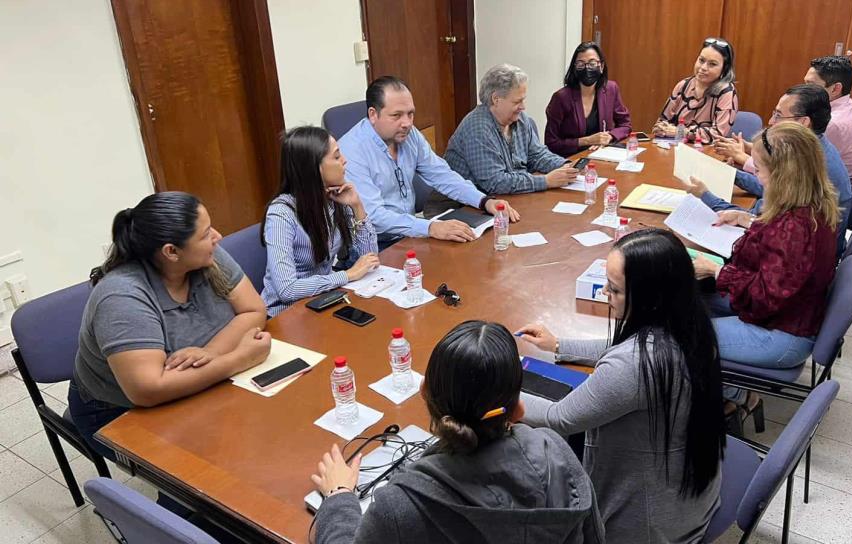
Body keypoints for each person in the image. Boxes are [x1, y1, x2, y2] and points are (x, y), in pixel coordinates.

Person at [309, 320, 605, 544]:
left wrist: (338, 497)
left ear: (423, 391)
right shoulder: (558, 454)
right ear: (518, 410)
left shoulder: (398, 507)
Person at [515, 229, 725, 543]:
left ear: (651, 298)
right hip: (691, 491)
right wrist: (559, 344)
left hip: (648, 525)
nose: (605, 295)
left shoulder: (635, 364)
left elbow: (558, 418)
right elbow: (628, 348)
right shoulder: (690, 325)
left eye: (614, 290)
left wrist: (494, 391)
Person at [70, 192, 271, 461]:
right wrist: (237, 359)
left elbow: (253, 309)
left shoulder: (206, 255)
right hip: (117, 412)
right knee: (202, 474)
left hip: (199, 381)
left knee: (257, 437)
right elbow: (149, 389)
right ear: (171, 252)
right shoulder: (121, 297)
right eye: (205, 234)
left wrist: (211, 352)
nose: (217, 236)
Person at [692, 123, 840, 408]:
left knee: (675, 334)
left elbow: (766, 298)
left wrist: (716, 271)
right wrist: (747, 219)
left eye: (759, 170)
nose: (756, 177)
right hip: (786, 317)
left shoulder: (796, 227)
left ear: (784, 175)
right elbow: (781, 260)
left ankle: (737, 396)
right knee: (684, 302)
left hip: (781, 335)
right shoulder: (809, 203)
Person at [338, 76, 519, 249]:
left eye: (411, 114)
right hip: (373, 246)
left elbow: (442, 175)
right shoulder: (352, 152)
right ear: (373, 114)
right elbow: (374, 217)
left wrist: (484, 201)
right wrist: (430, 228)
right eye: (397, 115)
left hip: (409, 235)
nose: (407, 123)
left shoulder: (409, 135)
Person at [698, 84, 852, 256]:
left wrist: (706, 196)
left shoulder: (807, 166)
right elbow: (765, 191)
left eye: (778, 116)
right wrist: (732, 174)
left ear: (803, 122)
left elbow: (764, 220)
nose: (771, 122)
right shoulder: (811, 150)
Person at [261, 126, 379, 317]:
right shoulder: (281, 214)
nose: (344, 160)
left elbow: (370, 259)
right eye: (336, 156)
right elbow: (287, 289)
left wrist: (357, 207)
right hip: (285, 315)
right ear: (315, 168)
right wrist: (347, 275)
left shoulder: (334, 198)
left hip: (322, 302)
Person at [444, 64, 579, 195]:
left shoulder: (520, 119)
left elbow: (537, 155)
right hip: (462, 206)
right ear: (496, 99)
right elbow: (496, 182)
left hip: (505, 198)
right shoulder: (478, 129)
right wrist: (546, 181)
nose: (523, 107)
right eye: (517, 102)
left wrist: (566, 166)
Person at [544, 41, 632, 156]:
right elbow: (551, 143)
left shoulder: (611, 89)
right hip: (571, 159)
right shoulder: (561, 98)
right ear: (574, 68)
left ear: (601, 66)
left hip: (603, 155)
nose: (587, 68)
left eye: (592, 63)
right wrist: (586, 140)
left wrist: (609, 136)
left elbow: (625, 124)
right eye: (581, 63)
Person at [653, 37, 738, 141]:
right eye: (701, 60)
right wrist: (661, 129)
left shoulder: (726, 92)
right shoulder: (683, 85)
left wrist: (680, 132)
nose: (703, 67)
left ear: (724, 69)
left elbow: (717, 135)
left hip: (705, 153)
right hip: (674, 147)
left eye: (712, 64)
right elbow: (661, 122)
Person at [804, 55, 852, 186]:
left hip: (827, 194)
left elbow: (798, 169)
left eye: (811, 85)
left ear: (836, 89)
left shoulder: (832, 122)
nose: (804, 90)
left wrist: (749, 161)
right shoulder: (845, 104)